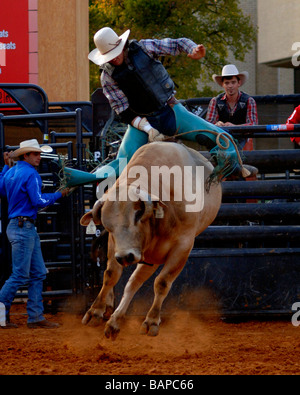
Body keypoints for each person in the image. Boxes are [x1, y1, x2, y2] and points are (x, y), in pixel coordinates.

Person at [63, 28, 255, 190]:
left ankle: (227, 170)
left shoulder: (143, 48)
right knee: (122, 163)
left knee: (221, 138)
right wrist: (148, 129)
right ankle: (78, 178)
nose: (113, 60)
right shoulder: (107, 77)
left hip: (170, 110)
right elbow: (124, 111)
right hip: (140, 122)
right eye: (109, 57)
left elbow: (177, 43)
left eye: (115, 54)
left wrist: (192, 49)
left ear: (122, 46)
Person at [0, 139, 69, 329]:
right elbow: (38, 201)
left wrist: (5, 168)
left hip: (18, 226)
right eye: (36, 154)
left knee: (36, 273)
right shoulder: (31, 174)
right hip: (24, 227)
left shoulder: (11, 172)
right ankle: (9, 315)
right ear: (26, 155)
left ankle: (35, 316)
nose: (39, 157)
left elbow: (2, 191)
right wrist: (59, 194)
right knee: (21, 275)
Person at [206, 64, 258, 149]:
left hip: (242, 142)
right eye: (227, 83)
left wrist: (233, 127)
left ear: (239, 83)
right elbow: (208, 125)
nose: (230, 86)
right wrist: (216, 124)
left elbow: (253, 125)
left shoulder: (249, 100)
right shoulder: (215, 101)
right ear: (223, 84)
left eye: (233, 82)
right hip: (221, 142)